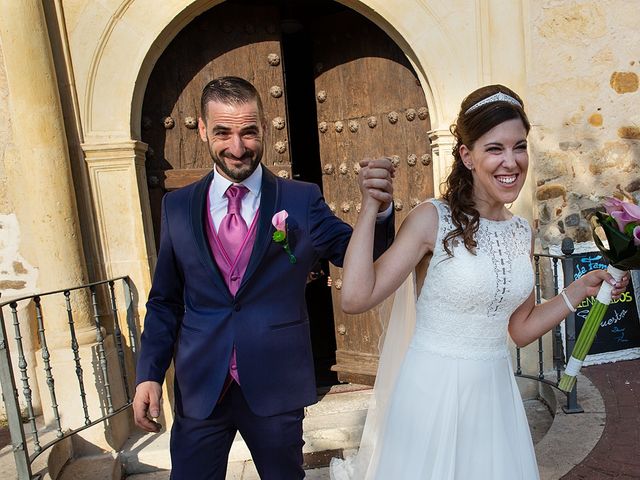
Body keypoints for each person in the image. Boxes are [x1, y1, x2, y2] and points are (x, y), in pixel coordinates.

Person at [331, 84, 630, 479]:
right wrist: (370, 207)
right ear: (466, 156)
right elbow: (355, 297)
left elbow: (520, 330)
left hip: (494, 397)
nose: (511, 161)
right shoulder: (431, 220)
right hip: (431, 398)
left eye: (519, 146)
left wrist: (578, 289)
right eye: (495, 148)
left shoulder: (522, 231)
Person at [131, 76, 395, 480]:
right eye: (223, 132)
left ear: (264, 129)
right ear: (202, 130)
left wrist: (376, 210)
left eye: (248, 132)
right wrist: (149, 372)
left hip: (276, 382)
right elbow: (165, 300)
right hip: (201, 386)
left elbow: (362, 254)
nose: (237, 148)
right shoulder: (177, 207)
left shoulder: (300, 200)